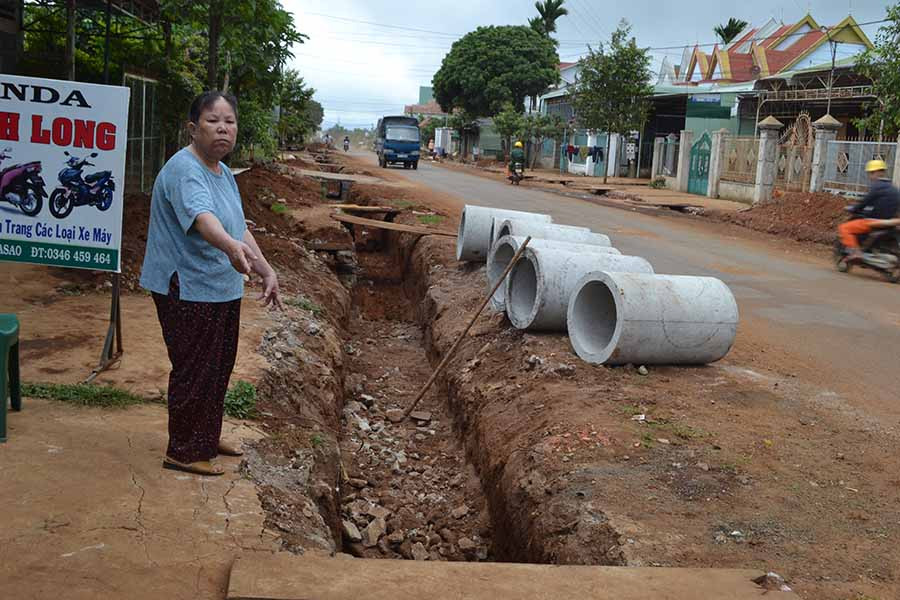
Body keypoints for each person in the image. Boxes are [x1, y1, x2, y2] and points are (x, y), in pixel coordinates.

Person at [140, 91, 283, 477]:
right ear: (193, 128)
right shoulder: (186, 170)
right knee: (193, 368)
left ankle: (205, 434)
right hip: (185, 285)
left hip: (220, 286)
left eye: (229, 121)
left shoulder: (223, 173)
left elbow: (238, 229)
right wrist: (230, 247)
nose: (223, 128)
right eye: (212, 120)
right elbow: (205, 221)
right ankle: (184, 450)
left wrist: (265, 269)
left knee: (218, 366)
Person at [838, 159, 900, 261]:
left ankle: (856, 252)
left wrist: (854, 209)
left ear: (876, 173)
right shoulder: (894, 188)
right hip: (890, 222)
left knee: (844, 228)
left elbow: (864, 203)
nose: (870, 176)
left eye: (871, 173)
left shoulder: (876, 187)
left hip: (873, 221)